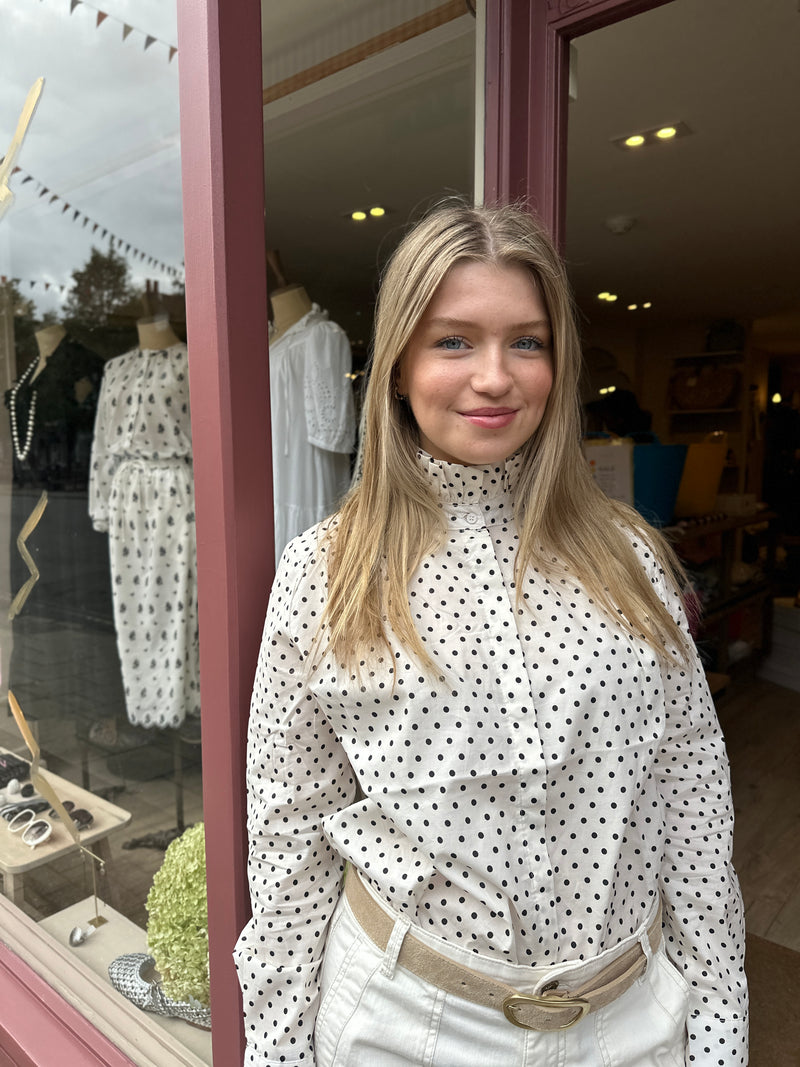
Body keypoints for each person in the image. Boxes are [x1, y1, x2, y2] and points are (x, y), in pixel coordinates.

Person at [235, 203, 748, 1067]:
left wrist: (719, 1021)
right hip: (408, 1023)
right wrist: (277, 1053)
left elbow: (691, 800)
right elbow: (290, 840)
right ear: (396, 365)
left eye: (527, 342)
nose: (495, 376)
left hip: (629, 1018)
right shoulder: (326, 574)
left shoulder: (631, 556)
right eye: (453, 341)